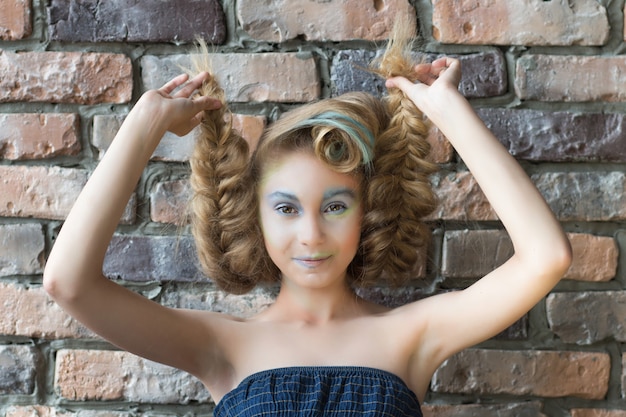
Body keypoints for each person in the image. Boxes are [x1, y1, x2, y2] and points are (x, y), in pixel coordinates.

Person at [43, 18, 572, 417]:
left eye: (336, 206)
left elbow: (546, 258)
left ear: (368, 213)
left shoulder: (413, 333)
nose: (312, 234)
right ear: (258, 217)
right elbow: (69, 284)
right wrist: (144, 125)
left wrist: (449, 111)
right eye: (286, 208)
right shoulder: (222, 346)